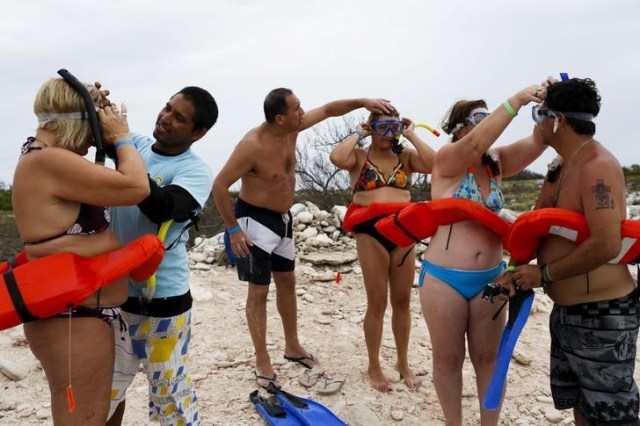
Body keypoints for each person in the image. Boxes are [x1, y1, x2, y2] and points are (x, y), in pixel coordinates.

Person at [212, 88, 394, 388]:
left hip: (282, 220)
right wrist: (233, 230)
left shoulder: (291, 130)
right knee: (258, 292)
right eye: (297, 109)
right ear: (280, 117)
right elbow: (220, 185)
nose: (303, 112)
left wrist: (362, 101)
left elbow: (329, 109)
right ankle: (261, 358)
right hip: (253, 221)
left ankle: (292, 346)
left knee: (287, 282)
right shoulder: (251, 146)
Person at [497, 78, 639, 425]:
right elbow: (536, 226)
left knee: (612, 416)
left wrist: (542, 275)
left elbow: (606, 244)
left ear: (556, 119)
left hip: (602, 316)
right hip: (567, 314)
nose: (537, 125)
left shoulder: (598, 166)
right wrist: (516, 271)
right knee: (580, 409)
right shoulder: (560, 167)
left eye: (538, 115)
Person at [12, 77, 149, 425]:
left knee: (102, 415)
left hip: (86, 313)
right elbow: (136, 186)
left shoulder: (45, 158)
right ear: (78, 120)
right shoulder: (47, 161)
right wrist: (120, 137)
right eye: (93, 124)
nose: (94, 137)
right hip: (74, 319)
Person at [419, 84, 547, 425]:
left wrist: (549, 102)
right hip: (444, 278)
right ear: (458, 128)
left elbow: (538, 141)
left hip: (490, 277)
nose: (488, 122)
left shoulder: (497, 163)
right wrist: (517, 99)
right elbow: (474, 145)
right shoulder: (446, 160)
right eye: (480, 117)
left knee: (488, 358)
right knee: (448, 359)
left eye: (489, 116)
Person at [106, 87, 219, 426]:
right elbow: (99, 131)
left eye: (179, 117)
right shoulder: (136, 146)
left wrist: (123, 144)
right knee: (105, 391)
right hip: (115, 296)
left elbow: (163, 207)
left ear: (198, 133)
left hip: (164, 305)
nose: (166, 117)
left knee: (170, 399)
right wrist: (97, 103)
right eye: (168, 108)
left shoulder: (195, 171)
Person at [329, 111, 435, 391]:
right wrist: (359, 133)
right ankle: (374, 366)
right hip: (370, 231)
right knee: (377, 302)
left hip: (403, 231)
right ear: (372, 128)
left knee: (402, 302)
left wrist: (411, 134)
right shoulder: (359, 157)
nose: (389, 134)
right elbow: (337, 158)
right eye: (382, 127)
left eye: (394, 127)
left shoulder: (406, 157)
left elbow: (435, 164)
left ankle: (403, 363)